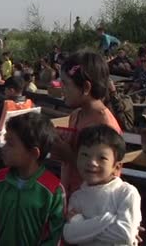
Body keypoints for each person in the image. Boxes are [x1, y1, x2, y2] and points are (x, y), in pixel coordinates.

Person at [0, 113, 65, 245]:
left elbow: (56, 236)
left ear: (34, 153)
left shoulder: (54, 190)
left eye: (10, 144)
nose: (4, 148)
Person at [51, 51, 122, 196]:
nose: (61, 88)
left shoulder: (105, 124)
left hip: (92, 206)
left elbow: (107, 174)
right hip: (70, 197)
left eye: (65, 83)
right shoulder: (76, 115)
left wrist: (68, 155)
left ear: (86, 88)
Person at [63, 125, 141, 245]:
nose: (92, 162)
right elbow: (69, 235)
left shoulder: (126, 192)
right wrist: (108, 219)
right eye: (85, 155)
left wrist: (81, 223)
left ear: (117, 166)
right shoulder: (77, 197)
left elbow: (125, 235)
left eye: (102, 158)